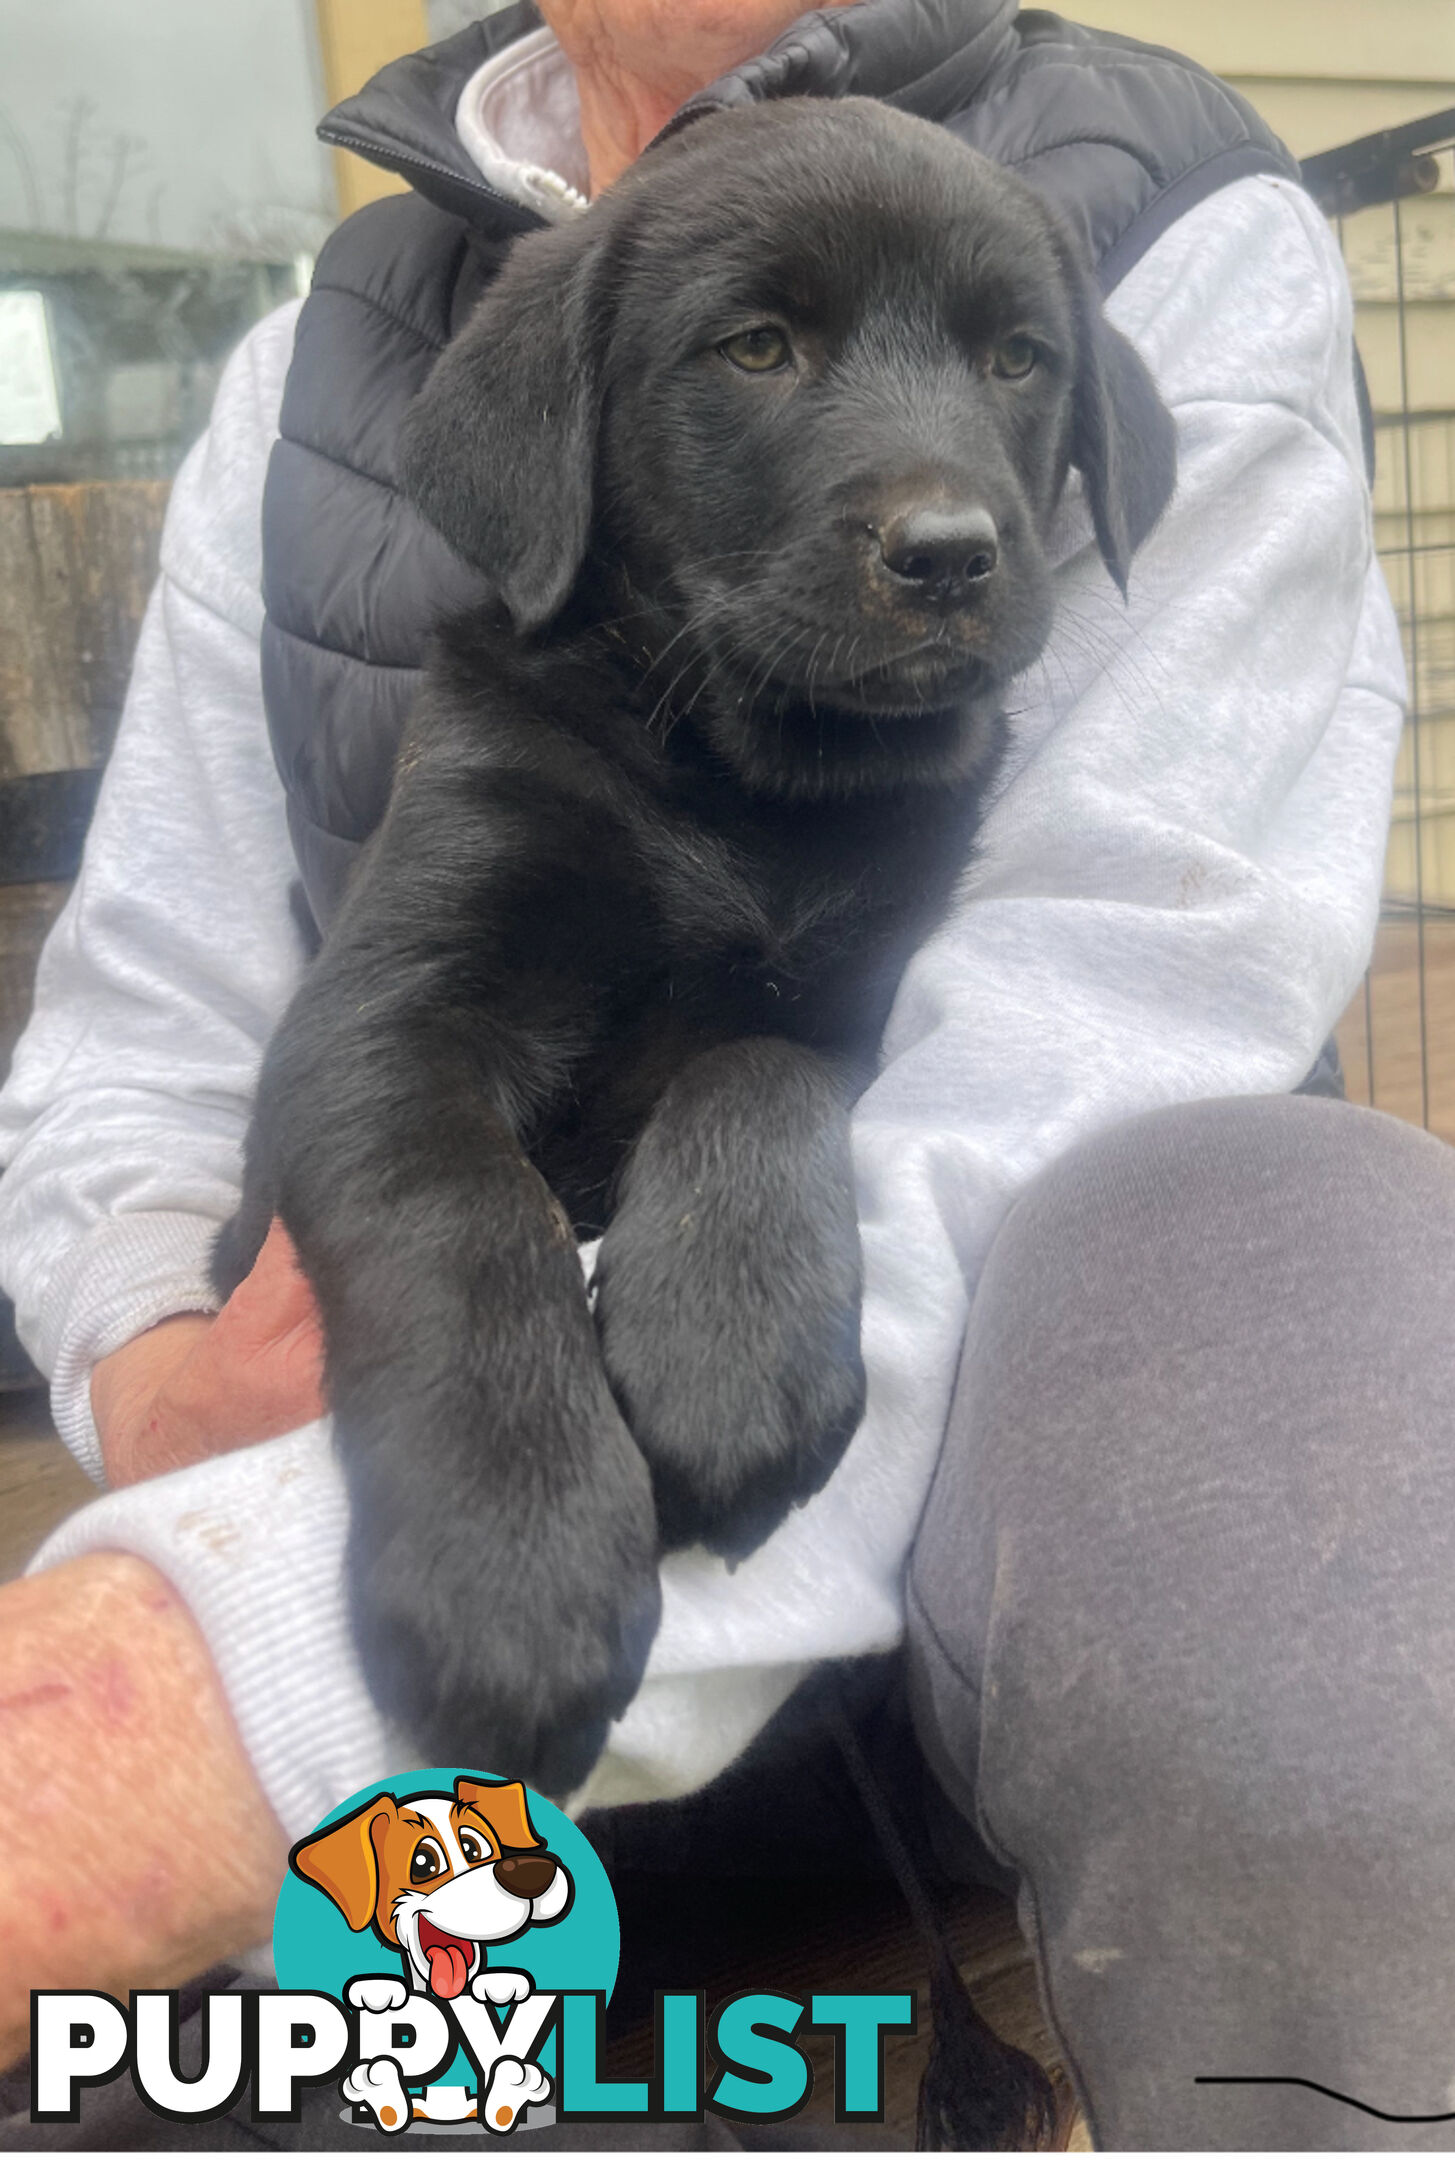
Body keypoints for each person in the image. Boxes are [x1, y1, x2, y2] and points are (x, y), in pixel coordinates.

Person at [3, 0, 1447, 2146]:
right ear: (550, 450)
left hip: (915, 1534)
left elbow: (1097, 1021)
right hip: (409, 1496)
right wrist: (156, 1374)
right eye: (761, 349)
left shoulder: (1162, 202)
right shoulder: (369, 396)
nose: (943, 493)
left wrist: (759, 1111)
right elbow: (281, 1048)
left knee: (1311, 1238)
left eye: (1000, 368)